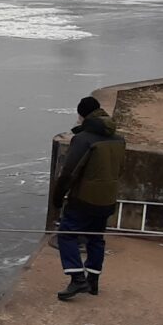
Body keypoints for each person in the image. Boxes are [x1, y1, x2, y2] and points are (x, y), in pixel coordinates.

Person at [49, 95, 127, 301]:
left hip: (84, 199)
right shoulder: (118, 140)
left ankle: (77, 279)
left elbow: (69, 172)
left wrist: (58, 198)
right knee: (96, 238)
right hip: (108, 199)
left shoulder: (83, 140)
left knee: (66, 235)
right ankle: (93, 280)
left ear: (82, 115)